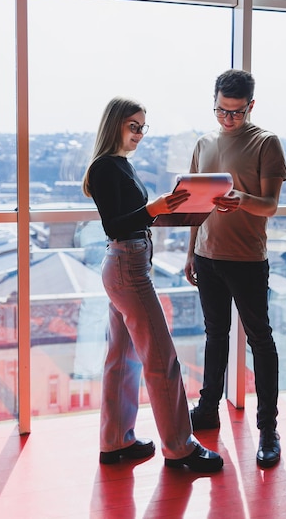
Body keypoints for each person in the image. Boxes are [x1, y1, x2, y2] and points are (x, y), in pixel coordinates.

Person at [82, 96, 223, 473]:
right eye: (134, 126)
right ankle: (179, 449)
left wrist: (186, 206)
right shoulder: (105, 167)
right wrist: (154, 208)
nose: (140, 134)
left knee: (122, 359)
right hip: (128, 266)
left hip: (127, 262)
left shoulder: (120, 166)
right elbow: (116, 224)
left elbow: (135, 219)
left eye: (143, 127)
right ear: (115, 124)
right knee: (161, 359)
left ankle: (115, 442)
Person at [184, 69, 286, 469]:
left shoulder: (266, 143)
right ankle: (208, 409)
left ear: (251, 106)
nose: (228, 120)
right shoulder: (204, 142)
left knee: (260, 340)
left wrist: (243, 198)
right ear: (214, 103)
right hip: (208, 258)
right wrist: (191, 252)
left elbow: (270, 205)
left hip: (247, 259)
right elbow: (195, 205)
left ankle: (267, 429)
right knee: (215, 336)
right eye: (221, 111)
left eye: (236, 113)